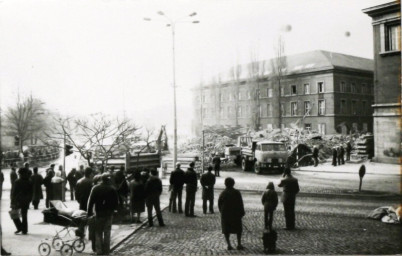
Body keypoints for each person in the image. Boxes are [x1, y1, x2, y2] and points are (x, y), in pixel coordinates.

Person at [87, 173, 119, 256]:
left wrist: (89, 213)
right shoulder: (112, 189)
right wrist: (114, 210)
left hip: (99, 213)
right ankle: (106, 251)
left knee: (98, 232)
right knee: (107, 232)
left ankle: (99, 251)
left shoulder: (95, 188)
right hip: (109, 214)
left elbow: (90, 202)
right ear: (108, 179)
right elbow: (116, 203)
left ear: (101, 179)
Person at [218, 177, 245, 250]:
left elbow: (219, 204)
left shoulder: (223, 193)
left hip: (226, 214)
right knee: (238, 229)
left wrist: (222, 212)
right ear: (233, 184)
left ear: (225, 184)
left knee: (226, 230)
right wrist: (242, 212)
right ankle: (239, 244)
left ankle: (229, 244)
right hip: (235, 214)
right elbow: (240, 203)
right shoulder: (237, 192)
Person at [11, 168, 33, 235]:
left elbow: (14, 193)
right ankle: (24, 230)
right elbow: (31, 192)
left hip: (18, 200)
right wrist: (29, 200)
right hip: (26, 201)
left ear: (20, 174)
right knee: (24, 215)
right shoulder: (29, 181)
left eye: (19, 173)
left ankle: (19, 227)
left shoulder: (17, 181)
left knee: (14, 214)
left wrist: (12, 202)